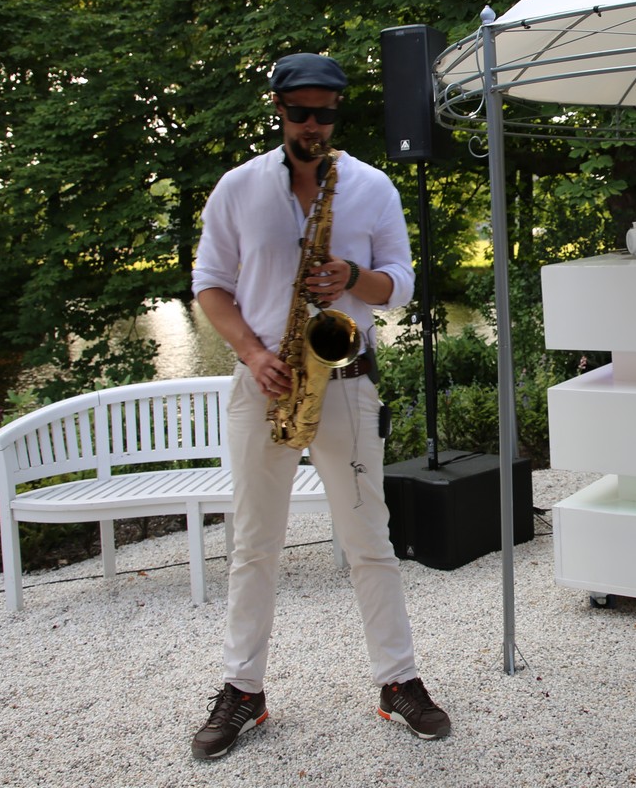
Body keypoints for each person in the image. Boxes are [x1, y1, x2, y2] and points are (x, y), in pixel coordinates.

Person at [189, 52, 450, 759]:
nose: (314, 125)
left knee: (370, 539)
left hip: (347, 381)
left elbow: (401, 285)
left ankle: (398, 680)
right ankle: (243, 689)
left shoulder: (370, 186)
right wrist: (253, 353)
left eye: (326, 113)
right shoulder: (239, 187)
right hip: (266, 384)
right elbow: (209, 282)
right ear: (278, 109)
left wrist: (353, 276)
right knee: (254, 545)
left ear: (338, 112)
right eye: (301, 112)